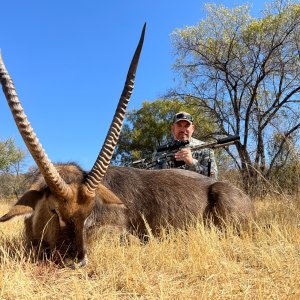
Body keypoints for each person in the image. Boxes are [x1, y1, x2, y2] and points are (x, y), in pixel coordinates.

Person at [152, 111, 218, 179]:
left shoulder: (205, 149)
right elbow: (152, 178)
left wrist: (192, 163)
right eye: (179, 125)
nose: (183, 130)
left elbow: (213, 177)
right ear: (173, 128)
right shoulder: (159, 151)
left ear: (193, 128)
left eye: (186, 126)